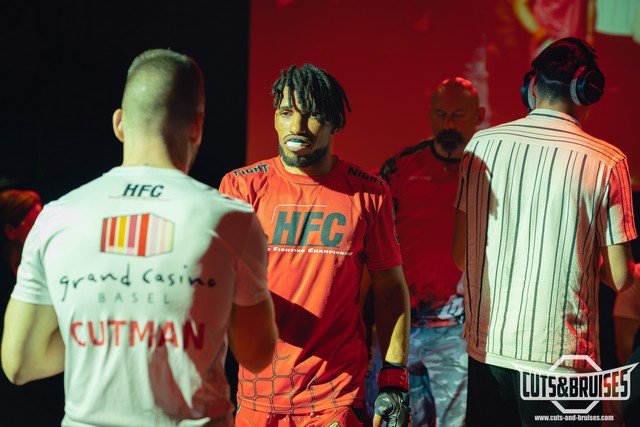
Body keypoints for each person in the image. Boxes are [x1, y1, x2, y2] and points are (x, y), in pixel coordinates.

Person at [1, 48, 278, 427]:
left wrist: (103, 339)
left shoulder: (56, 217)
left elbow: (19, 363)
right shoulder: (231, 220)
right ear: (197, 125)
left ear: (119, 123)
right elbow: (258, 353)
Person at [452, 37, 638, 426]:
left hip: (488, 350)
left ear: (532, 86)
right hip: (562, 360)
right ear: (588, 90)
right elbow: (620, 278)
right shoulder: (607, 161)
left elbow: (460, 255)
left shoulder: (480, 146)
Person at [219, 63, 411, 427]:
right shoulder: (241, 187)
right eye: (286, 113)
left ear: (335, 122)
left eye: (312, 116)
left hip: (334, 398)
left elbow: (389, 290)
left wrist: (394, 379)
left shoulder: (369, 193)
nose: (297, 126)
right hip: (258, 396)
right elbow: (218, 290)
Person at [365, 77, 485, 427]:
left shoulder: (487, 172)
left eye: (458, 115)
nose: (448, 124)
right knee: (393, 420)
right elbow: (371, 245)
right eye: (440, 114)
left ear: (478, 116)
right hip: (400, 327)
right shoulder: (400, 168)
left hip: (459, 332)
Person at [0, 189, 65, 426]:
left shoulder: (49, 266)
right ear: (10, 231)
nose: (42, 229)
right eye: (34, 223)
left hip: (43, 388)